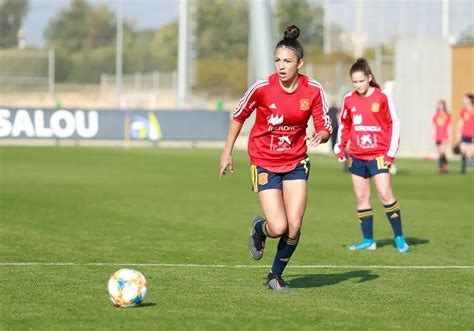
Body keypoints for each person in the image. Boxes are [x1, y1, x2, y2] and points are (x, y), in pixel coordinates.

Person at [219, 25, 332, 291]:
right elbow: (238, 115)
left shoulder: (313, 90)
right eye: (277, 61)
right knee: (278, 226)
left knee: (294, 227)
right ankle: (259, 228)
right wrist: (227, 152)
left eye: (287, 61)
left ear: (300, 63)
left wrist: (322, 136)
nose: (281, 66)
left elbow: (325, 124)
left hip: (295, 162)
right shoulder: (262, 87)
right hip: (264, 161)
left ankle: (275, 276)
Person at [333, 58, 409, 253]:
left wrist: (390, 154)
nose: (358, 85)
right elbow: (345, 125)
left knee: (385, 194)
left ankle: (399, 238)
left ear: (369, 77)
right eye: (355, 82)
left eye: (361, 81)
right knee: (362, 197)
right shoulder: (349, 99)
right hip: (357, 156)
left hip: (379, 155)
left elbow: (395, 124)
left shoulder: (382, 97)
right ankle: (368, 240)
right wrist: (340, 147)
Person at [432, 100, 451, 173]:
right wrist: (433, 135)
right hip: (438, 136)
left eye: (441, 105)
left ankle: (441, 167)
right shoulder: (436, 116)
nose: (440, 107)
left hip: (444, 135)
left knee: (442, 151)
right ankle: (445, 165)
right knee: (439, 152)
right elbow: (434, 126)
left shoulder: (447, 115)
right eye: (439, 105)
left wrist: (449, 136)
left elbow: (449, 126)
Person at [458, 94, 474, 174]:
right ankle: (463, 168)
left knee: (471, 153)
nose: (464, 100)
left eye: (465, 99)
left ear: (470, 100)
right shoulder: (463, 111)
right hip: (464, 134)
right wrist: (458, 132)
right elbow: (461, 122)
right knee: (462, 150)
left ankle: (471, 160)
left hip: (472, 134)